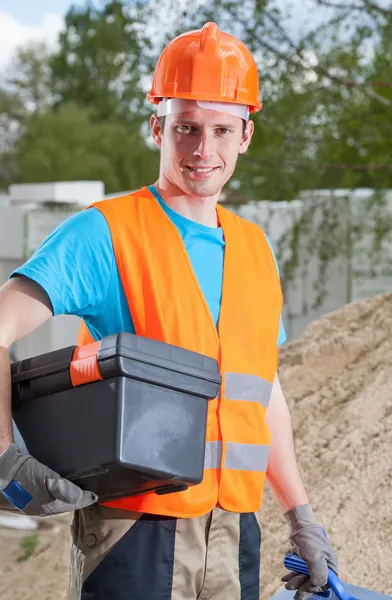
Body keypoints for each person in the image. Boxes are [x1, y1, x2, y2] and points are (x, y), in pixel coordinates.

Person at [0, 22, 338, 600]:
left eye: (221, 130)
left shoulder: (257, 251)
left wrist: (300, 514)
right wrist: (6, 457)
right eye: (186, 129)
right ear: (158, 127)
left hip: (237, 529)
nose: (203, 150)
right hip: (134, 528)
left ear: (245, 135)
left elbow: (262, 394)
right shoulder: (105, 233)